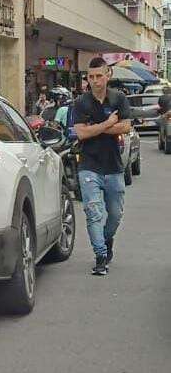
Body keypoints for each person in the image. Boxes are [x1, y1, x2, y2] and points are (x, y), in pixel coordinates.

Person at [72, 57, 132, 276]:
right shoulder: (81, 102)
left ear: (108, 75)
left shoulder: (119, 98)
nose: (95, 81)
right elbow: (81, 133)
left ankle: (107, 240)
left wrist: (94, 128)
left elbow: (125, 127)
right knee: (93, 212)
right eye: (91, 77)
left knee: (115, 214)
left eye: (99, 76)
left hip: (113, 166)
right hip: (88, 165)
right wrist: (107, 124)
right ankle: (100, 256)